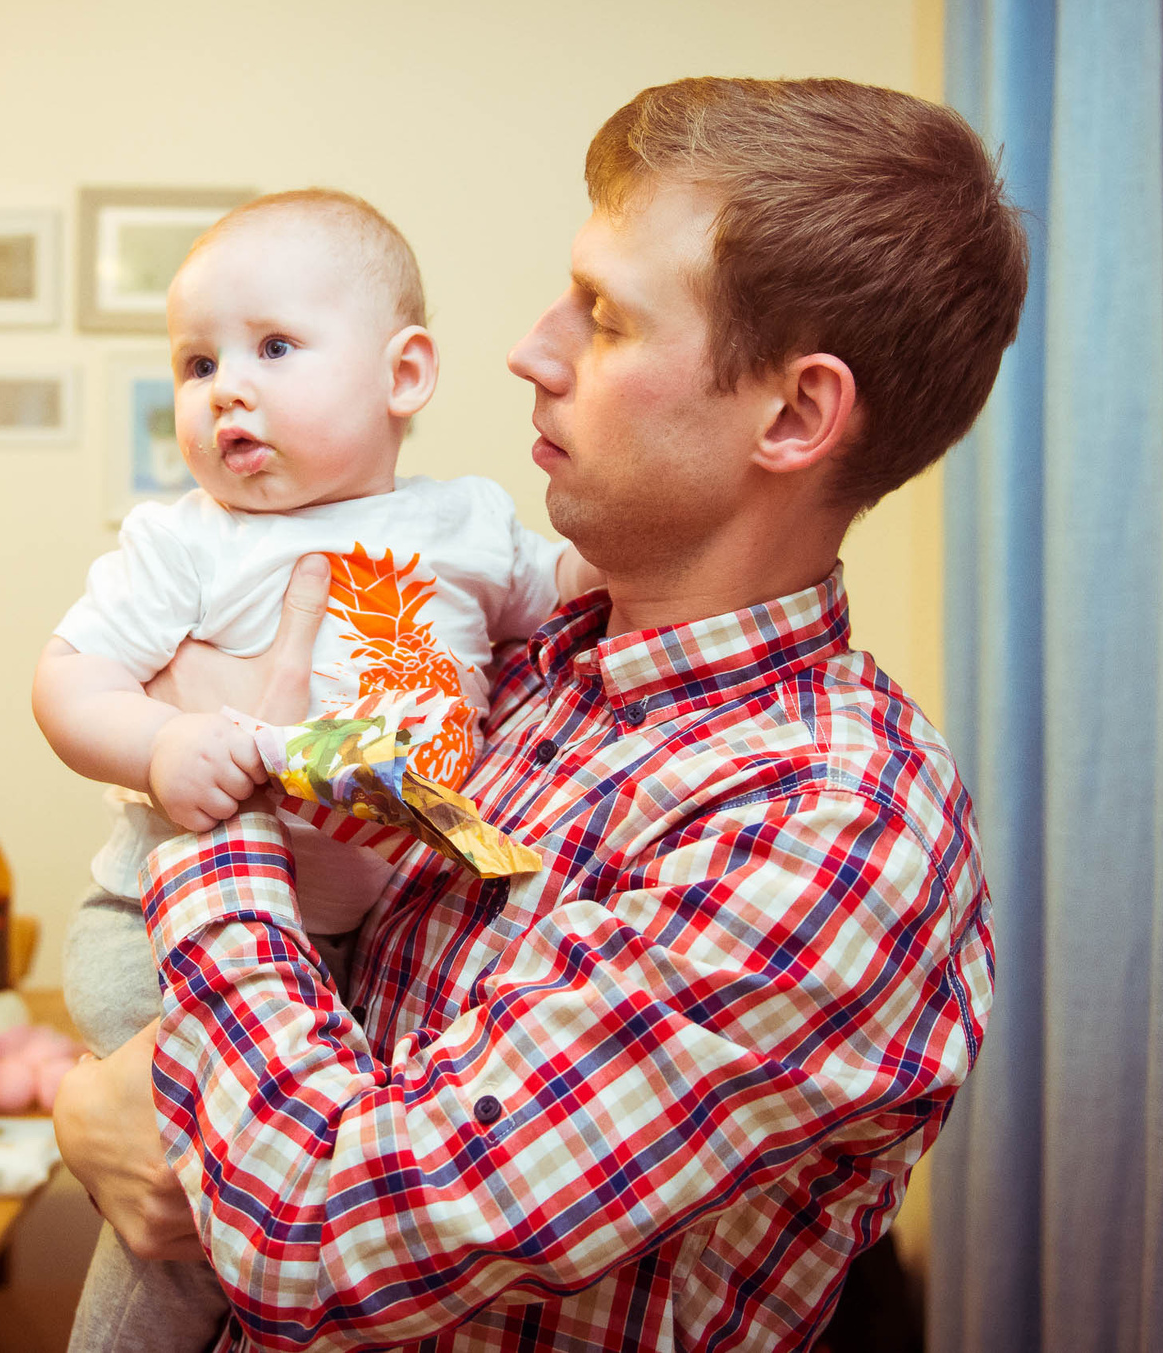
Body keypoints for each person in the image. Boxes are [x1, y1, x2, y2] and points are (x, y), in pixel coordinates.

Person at [53, 76, 1028, 1351]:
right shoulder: (532, 669)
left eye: (607, 319)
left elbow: (319, 1231)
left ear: (793, 414)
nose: (531, 348)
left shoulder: (827, 822)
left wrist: (228, 793)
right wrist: (98, 1099)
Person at [33, 187, 599, 1353]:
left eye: (274, 348)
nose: (225, 387)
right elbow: (67, 676)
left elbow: (586, 593)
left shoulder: (471, 524)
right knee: (188, 1215)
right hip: (156, 927)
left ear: (404, 376)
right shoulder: (188, 539)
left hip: (339, 959)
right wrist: (160, 743)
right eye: (197, 363)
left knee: (254, 1212)